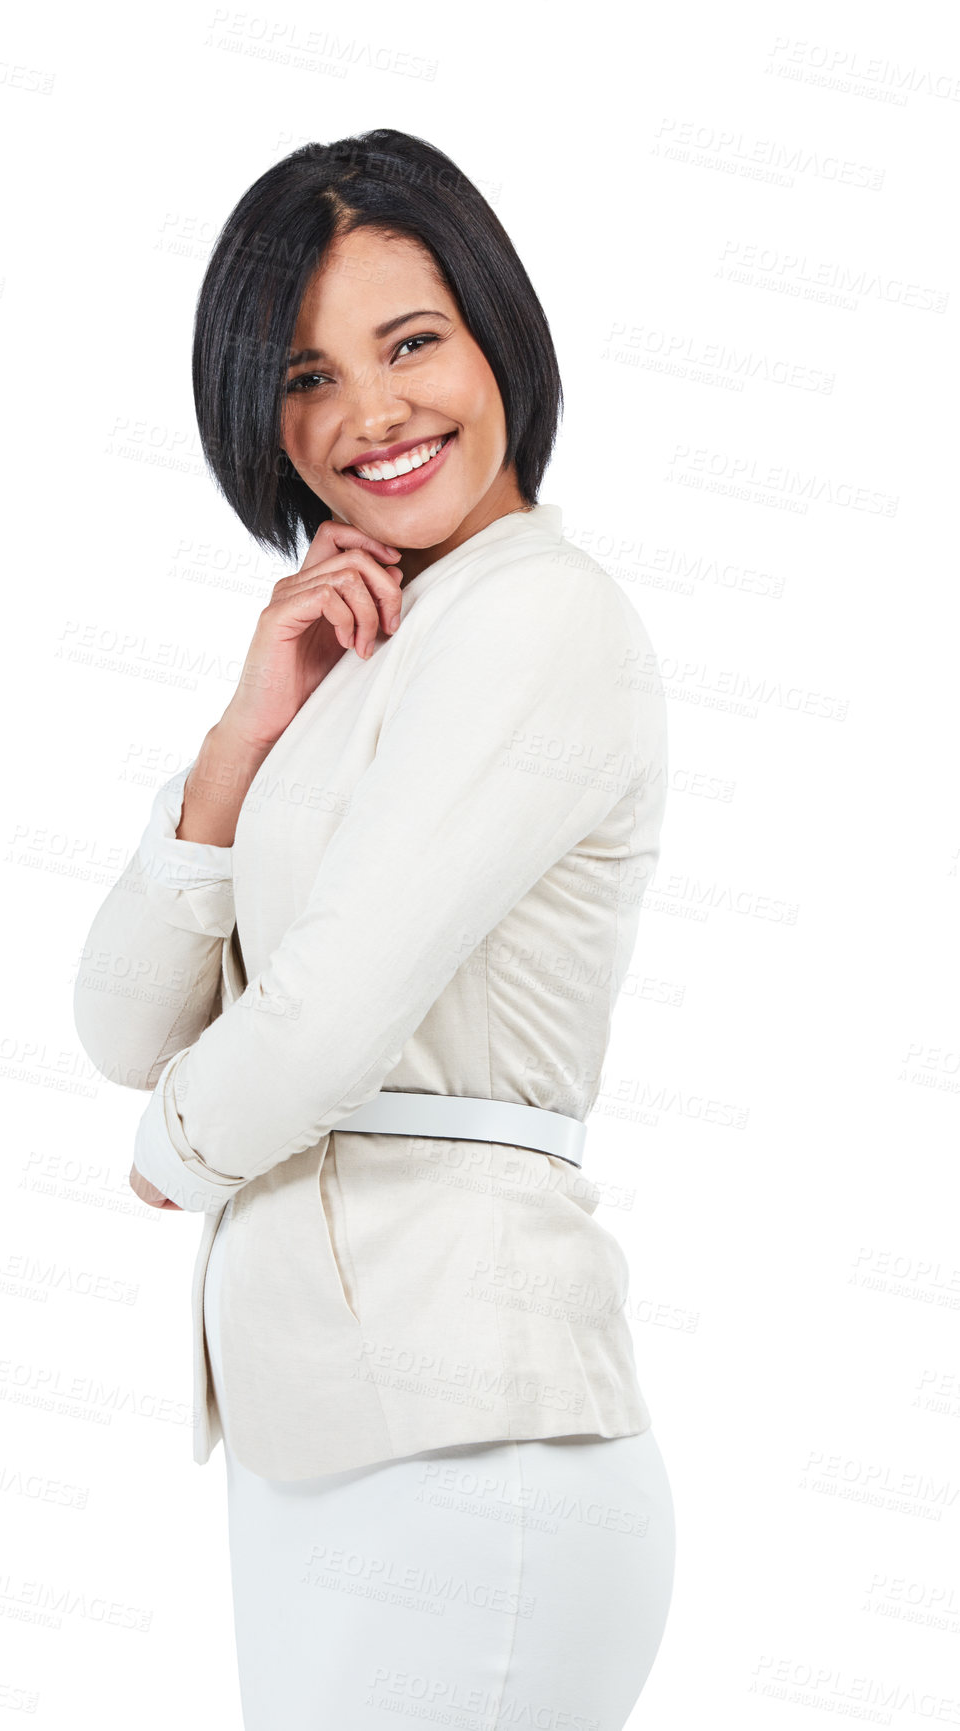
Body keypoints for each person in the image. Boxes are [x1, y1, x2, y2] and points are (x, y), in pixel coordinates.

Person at [74, 128, 675, 1731]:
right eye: (305, 378)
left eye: (411, 343)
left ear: (498, 335)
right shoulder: (359, 655)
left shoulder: (540, 615)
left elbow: (324, 1017)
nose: (368, 417)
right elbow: (119, 1022)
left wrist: (174, 1147)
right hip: (330, 1429)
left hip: (465, 1434)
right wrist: (239, 740)